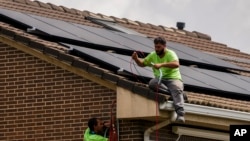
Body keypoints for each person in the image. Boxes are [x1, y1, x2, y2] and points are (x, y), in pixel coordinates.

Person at [131, 36, 185, 123]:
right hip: (160, 79)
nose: (157, 49)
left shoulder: (170, 53)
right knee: (152, 84)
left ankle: (180, 114)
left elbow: (176, 64)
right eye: (155, 47)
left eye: (159, 47)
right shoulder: (153, 55)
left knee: (176, 87)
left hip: (173, 79)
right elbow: (142, 64)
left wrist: (161, 65)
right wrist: (136, 59)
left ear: (164, 46)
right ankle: (176, 93)